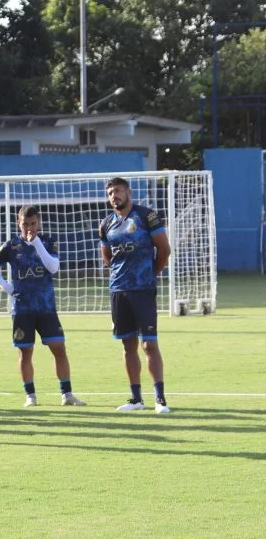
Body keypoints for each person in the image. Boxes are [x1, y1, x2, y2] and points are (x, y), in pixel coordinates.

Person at [0, 206, 86, 408]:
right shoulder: (11, 246)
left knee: (59, 349)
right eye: (25, 223)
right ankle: (30, 396)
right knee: (25, 352)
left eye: (33, 223)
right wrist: (8, 288)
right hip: (22, 309)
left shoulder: (47, 242)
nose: (29, 227)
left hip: (46, 307)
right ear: (18, 223)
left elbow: (53, 268)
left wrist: (36, 243)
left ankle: (67, 394)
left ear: (39, 222)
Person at [99, 177, 171, 413]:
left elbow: (164, 249)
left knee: (149, 344)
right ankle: (136, 399)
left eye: (118, 191)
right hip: (119, 291)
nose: (114, 195)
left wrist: (153, 271)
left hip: (143, 290)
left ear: (128, 192)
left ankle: (160, 399)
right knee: (127, 344)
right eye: (110, 192)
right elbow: (107, 256)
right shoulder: (106, 224)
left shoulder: (146, 216)